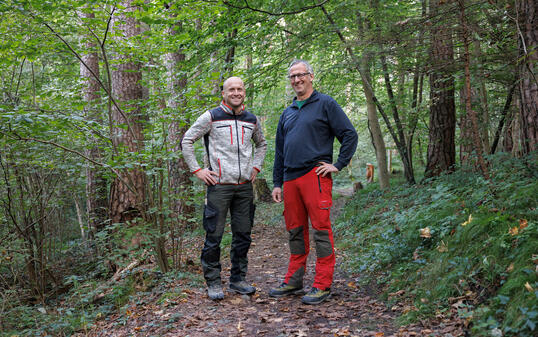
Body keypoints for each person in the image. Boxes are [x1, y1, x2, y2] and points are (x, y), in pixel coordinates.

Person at [269, 60, 358, 305]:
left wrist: (338, 164)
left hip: (315, 176)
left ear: (311, 76)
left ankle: (322, 283)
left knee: (320, 230)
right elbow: (279, 152)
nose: (297, 80)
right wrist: (277, 183)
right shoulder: (287, 113)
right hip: (290, 179)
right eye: (292, 76)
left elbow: (349, 134)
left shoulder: (325, 103)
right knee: (295, 230)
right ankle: (294, 280)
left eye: (301, 75)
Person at [181, 76, 267, 300]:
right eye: (231, 89)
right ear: (224, 93)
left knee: (243, 236)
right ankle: (213, 282)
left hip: (245, 187)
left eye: (240, 89)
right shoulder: (211, 116)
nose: (236, 92)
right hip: (218, 186)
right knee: (214, 236)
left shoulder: (251, 119)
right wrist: (198, 170)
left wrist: (256, 167)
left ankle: (238, 280)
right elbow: (187, 140)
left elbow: (262, 144)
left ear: (244, 92)